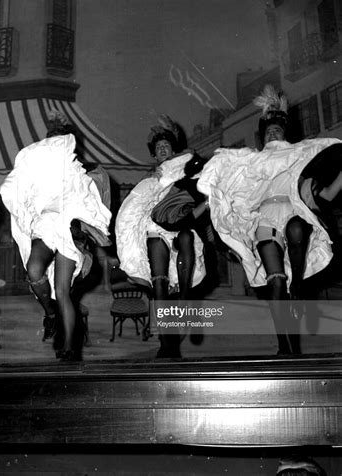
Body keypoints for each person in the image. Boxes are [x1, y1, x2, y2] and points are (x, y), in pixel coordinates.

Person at [198, 85, 342, 355]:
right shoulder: (254, 163)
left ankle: (297, 285)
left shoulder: (299, 160)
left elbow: (329, 193)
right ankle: (285, 348)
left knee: (297, 228)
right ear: (262, 137)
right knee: (275, 282)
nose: (273, 132)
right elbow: (232, 179)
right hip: (265, 219)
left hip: (292, 213)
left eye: (277, 129)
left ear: (285, 133)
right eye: (268, 131)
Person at [0, 112, 111, 362]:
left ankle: (70, 348)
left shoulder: (80, 173)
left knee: (63, 291)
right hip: (47, 227)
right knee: (34, 269)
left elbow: (93, 205)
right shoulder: (37, 173)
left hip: (70, 233)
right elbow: (16, 191)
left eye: (57, 140)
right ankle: (50, 313)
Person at [115, 115, 208, 358]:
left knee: (186, 239)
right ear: (154, 156)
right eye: (158, 148)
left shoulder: (185, 172)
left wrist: (184, 162)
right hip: (156, 229)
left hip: (182, 228)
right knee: (160, 283)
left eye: (166, 146)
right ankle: (167, 344)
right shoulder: (150, 179)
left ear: (173, 150)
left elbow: (197, 163)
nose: (163, 149)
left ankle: (186, 302)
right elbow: (136, 207)